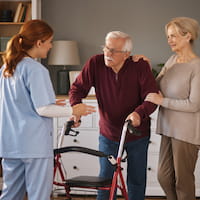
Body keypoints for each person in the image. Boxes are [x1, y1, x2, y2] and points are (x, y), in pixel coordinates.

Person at [0, 19, 95, 200]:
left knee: (10, 195)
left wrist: (52, 104)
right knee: (39, 196)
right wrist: (74, 111)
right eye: (50, 41)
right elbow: (43, 109)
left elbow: (13, 103)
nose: (51, 46)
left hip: (10, 144)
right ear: (39, 42)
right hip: (33, 146)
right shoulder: (36, 69)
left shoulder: (6, 68)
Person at [69, 31, 158, 200]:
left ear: (126, 54)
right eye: (106, 48)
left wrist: (139, 113)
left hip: (136, 133)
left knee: (137, 179)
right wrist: (76, 107)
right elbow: (77, 89)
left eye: (113, 51)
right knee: (105, 179)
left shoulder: (139, 66)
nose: (107, 54)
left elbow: (151, 96)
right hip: (108, 134)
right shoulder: (95, 63)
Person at [145, 17, 200, 200]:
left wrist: (163, 102)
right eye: (168, 37)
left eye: (174, 36)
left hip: (186, 132)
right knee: (164, 177)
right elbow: (156, 86)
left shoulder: (197, 67)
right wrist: (144, 67)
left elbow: (194, 105)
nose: (170, 40)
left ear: (188, 36)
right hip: (168, 127)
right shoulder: (172, 60)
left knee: (182, 182)